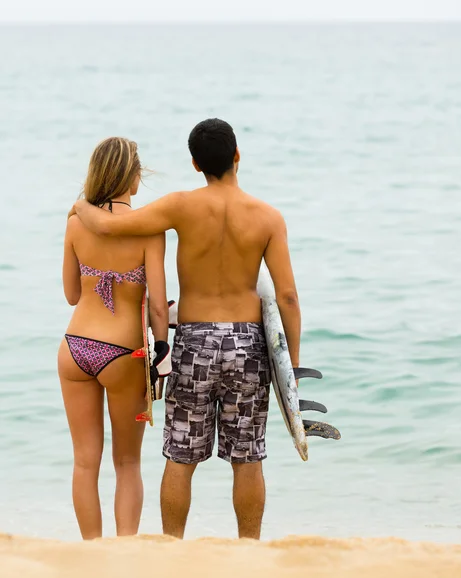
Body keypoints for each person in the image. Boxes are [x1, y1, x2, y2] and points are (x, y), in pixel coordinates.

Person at [73, 118, 301, 540]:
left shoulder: (180, 205)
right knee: (247, 458)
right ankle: (248, 550)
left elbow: (108, 226)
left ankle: (171, 550)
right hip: (246, 344)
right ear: (237, 156)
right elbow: (287, 297)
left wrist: (80, 206)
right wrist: (294, 370)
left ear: (195, 164)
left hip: (194, 341)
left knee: (180, 456)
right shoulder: (268, 217)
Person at [59, 137, 169, 539]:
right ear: (133, 177)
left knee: (85, 463)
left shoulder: (75, 222)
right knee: (127, 463)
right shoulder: (149, 230)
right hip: (124, 353)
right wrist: (162, 349)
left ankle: (91, 553)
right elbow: (158, 305)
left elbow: (72, 294)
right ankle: (123, 556)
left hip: (75, 348)